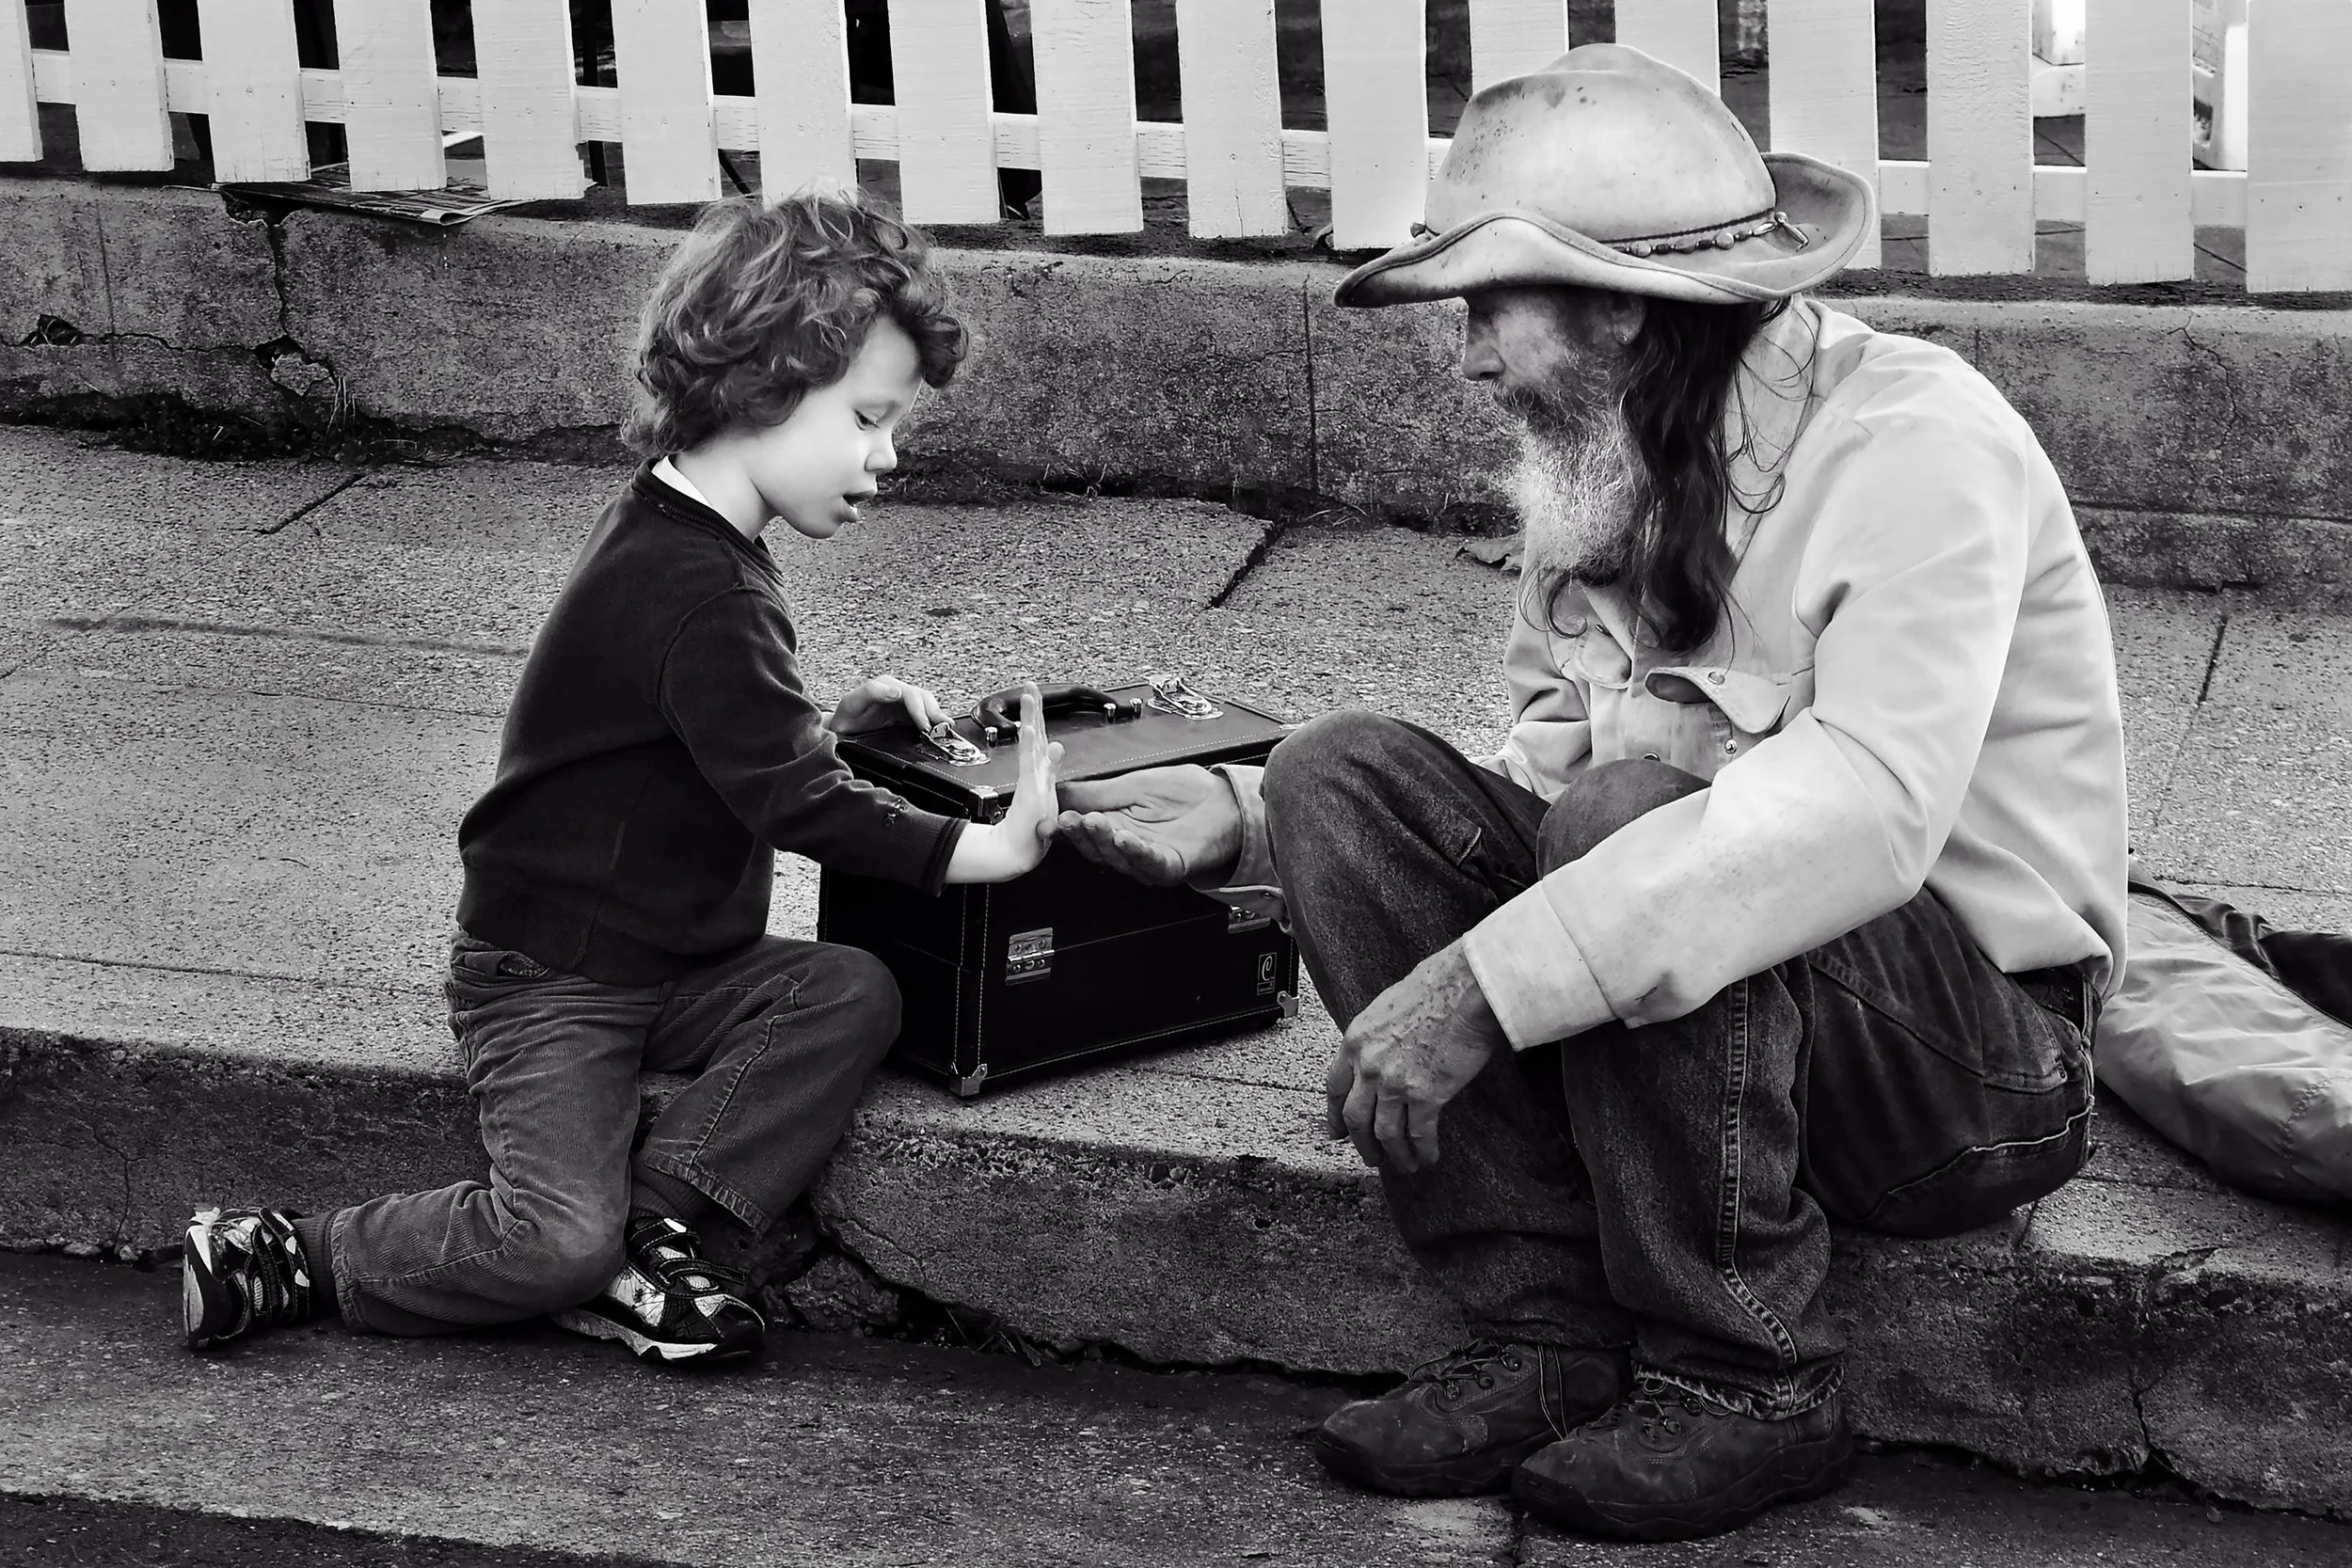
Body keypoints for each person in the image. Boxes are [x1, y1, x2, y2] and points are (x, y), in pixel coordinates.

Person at [1058, 45, 2125, 1543]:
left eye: (1493, 306)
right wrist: (1245, 820)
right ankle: (1548, 1332)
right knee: (1333, 775)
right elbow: (1533, 779)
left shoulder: (1918, 444)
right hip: (1739, 1047)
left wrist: (1488, 986)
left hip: (1973, 1079)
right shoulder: (1606, 463)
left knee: (1640, 817)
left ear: (1622, 306)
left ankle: (1747, 1373)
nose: (1468, 356)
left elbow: (1859, 810)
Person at [181, 190, 1062, 1367]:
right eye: (867, 418)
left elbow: (720, 737)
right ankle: (290, 1253)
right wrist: (978, 849)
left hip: (677, 961)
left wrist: (828, 728)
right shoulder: (698, 584)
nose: (886, 456)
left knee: (849, 989)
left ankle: (644, 1242)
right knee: (549, 1237)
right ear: (762, 385)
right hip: (553, 979)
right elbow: (787, 798)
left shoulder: (686, 541)